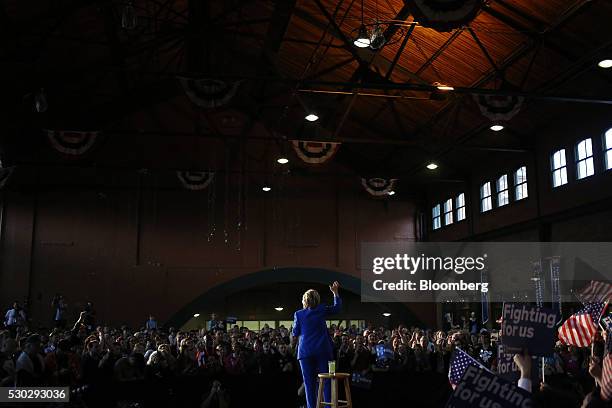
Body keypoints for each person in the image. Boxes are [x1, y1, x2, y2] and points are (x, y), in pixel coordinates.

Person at [292, 281, 342, 408]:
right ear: (317, 299)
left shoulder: (298, 314)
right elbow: (337, 308)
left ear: (304, 300)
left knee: (309, 384)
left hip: (305, 353)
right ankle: (328, 406)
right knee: (326, 381)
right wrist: (335, 293)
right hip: (323, 351)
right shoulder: (321, 309)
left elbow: (295, 332)